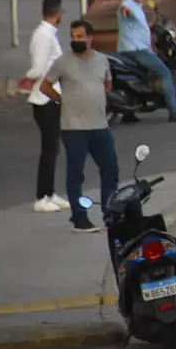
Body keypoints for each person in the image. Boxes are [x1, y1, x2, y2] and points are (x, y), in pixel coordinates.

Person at [39, 20, 119, 232]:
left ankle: (111, 214)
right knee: (76, 174)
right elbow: (45, 86)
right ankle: (79, 218)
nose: (76, 40)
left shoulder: (102, 60)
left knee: (110, 170)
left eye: (80, 36)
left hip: (101, 126)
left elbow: (108, 84)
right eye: (73, 36)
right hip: (74, 128)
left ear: (90, 38)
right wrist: (61, 100)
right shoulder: (63, 62)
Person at [19, 0, 71, 213]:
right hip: (44, 98)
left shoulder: (48, 34)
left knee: (53, 148)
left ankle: (49, 193)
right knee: (49, 149)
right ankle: (41, 197)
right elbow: (40, 68)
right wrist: (28, 77)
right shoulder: (43, 36)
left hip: (50, 97)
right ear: (58, 13)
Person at [118, 0, 176, 122]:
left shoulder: (139, 7)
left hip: (135, 49)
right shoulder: (127, 5)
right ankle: (174, 111)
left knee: (138, 78)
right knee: (165, 73)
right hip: (137, 50)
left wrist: (156, 23)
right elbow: (125, 11)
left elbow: (141, 25)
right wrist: (127, 12)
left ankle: (129, 112)